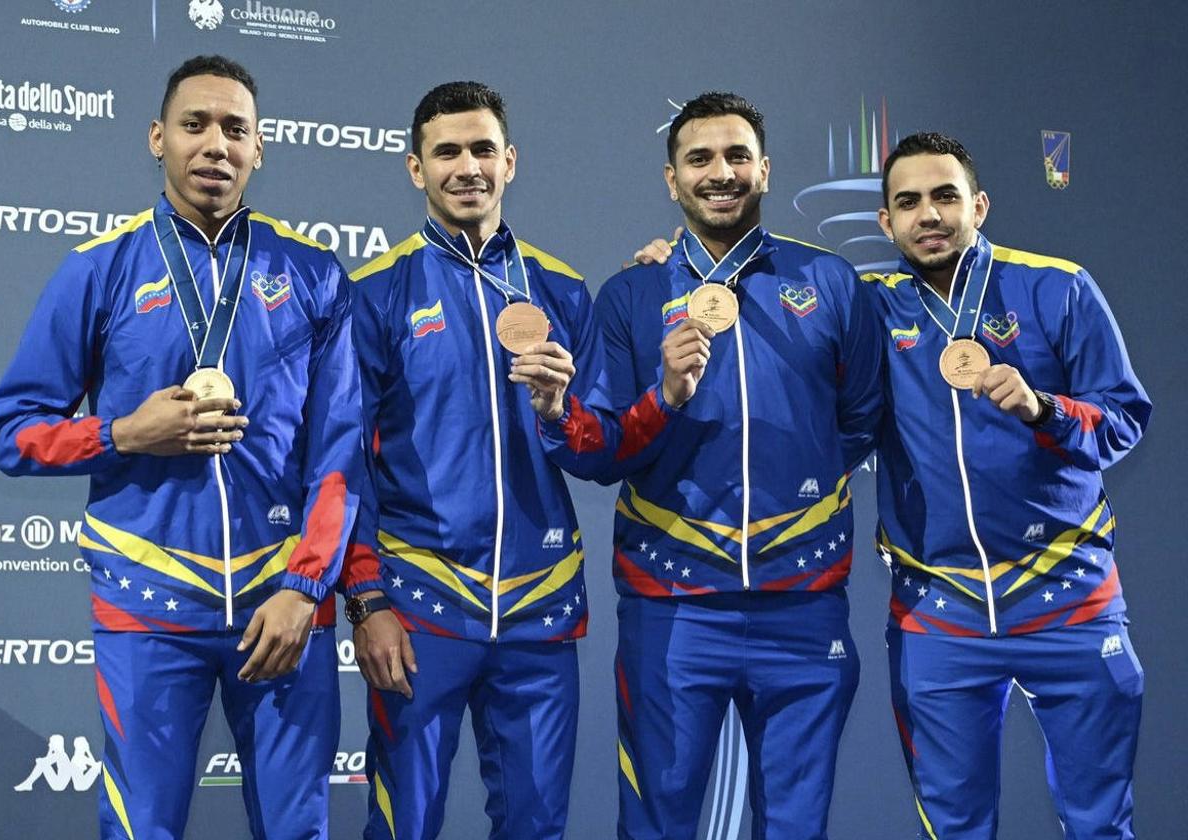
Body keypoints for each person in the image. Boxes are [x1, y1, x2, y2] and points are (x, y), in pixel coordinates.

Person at [0, 55, 363, 839]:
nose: (215, 144)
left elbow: (340, 453)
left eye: (236, 129)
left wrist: (306, 588)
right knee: (141, 828)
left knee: (298, 829)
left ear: (261, 148)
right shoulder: (97, 268)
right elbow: (12, 432)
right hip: (147, 605)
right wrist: (124, 433)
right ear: (158, 138)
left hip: (281, 602)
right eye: (194, 125)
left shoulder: (314, 273)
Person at [338, 81, 675, 840]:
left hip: (539, 608)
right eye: (446, 151)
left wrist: (563, 411)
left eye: (483, 148)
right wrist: (367, 603)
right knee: (404, 825)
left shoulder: (562, 289)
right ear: (414, 169)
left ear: (511, 161)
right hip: (420, 604)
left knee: (535, 826)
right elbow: (343, 466)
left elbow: (604, 453)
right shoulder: (376, 292)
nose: (467, 166)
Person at [556, 91, 883, 839]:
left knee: (796, 828)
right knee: (655, 823)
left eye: (737, 156)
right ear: (672, 180)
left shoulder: (830, 282)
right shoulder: (633, 294)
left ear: (764, 170)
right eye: (699, 158)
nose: (721, 172)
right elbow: (602, 451)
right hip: (672, 608)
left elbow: (860, 420)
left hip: (804, 609)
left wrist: (799, 490)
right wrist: (663, 397)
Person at [863, 132, 1149, 839]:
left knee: (1099, 823)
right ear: (886, 223)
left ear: (979, 206)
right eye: (908, 202)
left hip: (1068, 596)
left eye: (945, 197)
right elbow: (771, 299)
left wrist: (1043, 407)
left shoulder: (1058, 286)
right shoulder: (869, 308)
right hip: (941, 608)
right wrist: (671, 271)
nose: (928, 215)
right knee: (955, 826)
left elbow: (1122, 420)